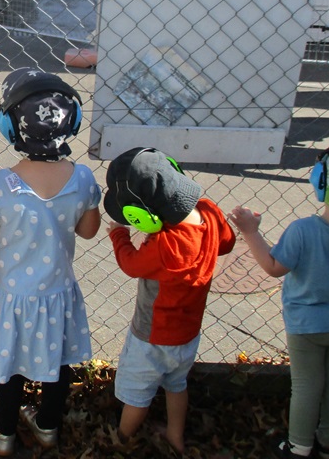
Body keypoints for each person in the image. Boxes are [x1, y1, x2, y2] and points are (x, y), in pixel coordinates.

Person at [227, 140, 329, 459]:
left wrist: (250, 231)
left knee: (306, 386)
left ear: (322, 180)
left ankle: (299, 447)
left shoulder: (303, 231)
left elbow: (274, 268)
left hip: (307, 326)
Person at [0, 68, 101, 456]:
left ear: (10, 126)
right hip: (58, 292)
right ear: (73, 122)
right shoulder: (82, 178)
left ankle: (6, 432)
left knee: (9, 364)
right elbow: (88, 230)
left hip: (13, 295)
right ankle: (47, 427)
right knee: (59, 362)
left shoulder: (0, 183)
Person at [103, 146, 236, 454]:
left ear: (143, 216)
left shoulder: (168, 246)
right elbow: (226, 244)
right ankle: (175, 436)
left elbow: (131, 265)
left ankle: (121, 440)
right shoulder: (208, 211)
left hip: (151, 336)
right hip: (188, 333)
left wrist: (119, 235)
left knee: (137, 394)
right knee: (177, 385)